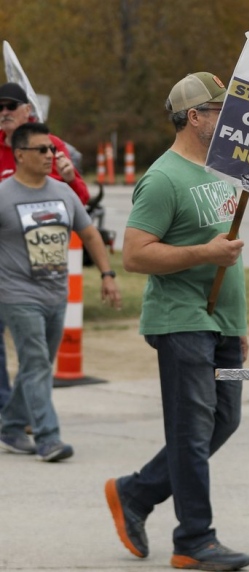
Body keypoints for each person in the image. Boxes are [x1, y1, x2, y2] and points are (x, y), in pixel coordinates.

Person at [104, 72, 249, 571]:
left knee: (224, 419)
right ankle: (194, 539)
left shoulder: (218, 170)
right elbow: (134, 255)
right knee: (191, 431)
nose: (227, 119)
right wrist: (204, 253)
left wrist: (239, 324)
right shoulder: (163, 178)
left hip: (223, 327)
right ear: (195, 116)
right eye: (219, 111)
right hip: (182, 324)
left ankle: (136, 492)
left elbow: (225, 252)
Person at [0, 122, 120, 461]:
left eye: (52, 149)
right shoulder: (3, 195)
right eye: (42, 150)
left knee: (37, 365)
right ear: (20, 154)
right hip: (16, 294)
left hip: (56, 294)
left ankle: (10, 426)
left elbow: (91, 234)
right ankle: (48, 437)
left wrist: (107, 274)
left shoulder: (63, 192)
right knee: (37, 362)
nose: (51, 155)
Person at [0, 82, 91, 412]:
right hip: (5, 272)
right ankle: (28, 421)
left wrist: (70, 178)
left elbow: (81, 207)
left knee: (36, 354)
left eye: (11, 106)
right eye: (0, 108)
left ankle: (15, 417)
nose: (5, 113)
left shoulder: (49, 149)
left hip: (42, 273)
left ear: (28, 110)